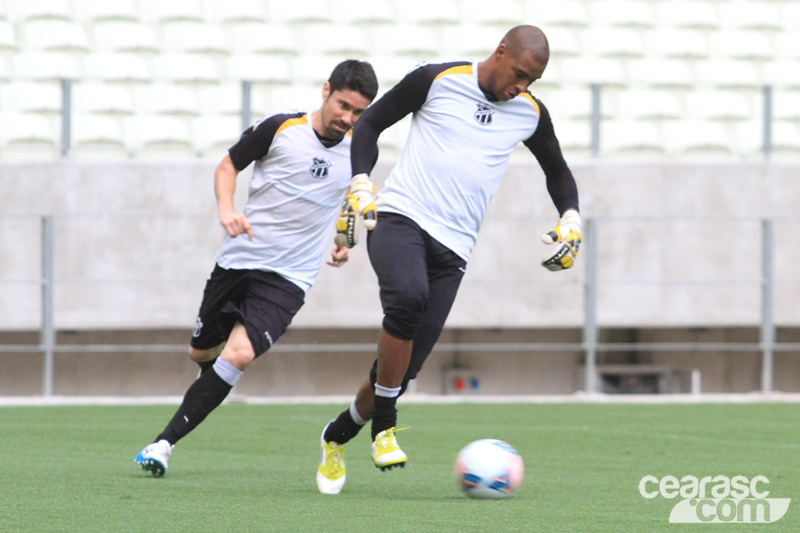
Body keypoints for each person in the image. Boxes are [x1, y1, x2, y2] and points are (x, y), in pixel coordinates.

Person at [316, 25, 582, 495]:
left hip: (454, 248)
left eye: (532, 82)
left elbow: (557, 170)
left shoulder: (530, 114)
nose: (521, 86)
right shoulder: (437, 80)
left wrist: (571, 217)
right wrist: (360, 181)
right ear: (500, 52)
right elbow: (371, 124)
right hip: (400, 219)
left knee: (400, 370)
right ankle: (385, 428)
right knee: (407, 300)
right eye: (519, 73)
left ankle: (336, 436)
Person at [134, 60, 379, 477]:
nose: (347, 118)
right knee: (201, 352)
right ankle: (209, 385)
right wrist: (227, 209)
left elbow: (349, 203)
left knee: (240, 353)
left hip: (289, 278)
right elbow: (228, 165)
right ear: (326, 91)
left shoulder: (361, 149)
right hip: (239, 260)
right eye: (343, 106)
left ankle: (162, 444)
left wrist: (343, 243)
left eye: (357, 112)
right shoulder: (281, 128)